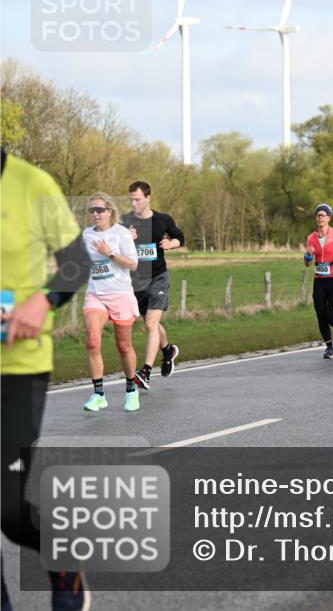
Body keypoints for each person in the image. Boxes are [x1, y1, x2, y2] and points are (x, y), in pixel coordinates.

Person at [1, 149, 93, 609]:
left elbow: (78, 262)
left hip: (18, 370)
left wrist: (43, 300)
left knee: (8, 510)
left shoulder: (32, 184)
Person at [80, 193, 142, 412]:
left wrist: (110, 253)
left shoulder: (121, 233)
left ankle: (131, 389)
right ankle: (98, 395)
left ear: (110, 211)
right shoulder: (86, 234)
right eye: (92, 210)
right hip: (96, 294)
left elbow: (133, 264)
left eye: (99, 210)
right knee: (92, 342)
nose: (95, 214)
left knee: (123, 346)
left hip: (120, 295)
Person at [121, 181, 184, 389]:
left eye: (137, 199)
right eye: (131, 199)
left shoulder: (162, 220)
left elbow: (179, 237)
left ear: (148, 198)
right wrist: (125, 238)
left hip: (158, 277)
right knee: (152, 324)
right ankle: (167, 350)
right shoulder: (124, 222)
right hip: (136, 281)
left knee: (150, 324)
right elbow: (113, 247)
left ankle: (145, 372)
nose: (134, 203)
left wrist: (170, 244)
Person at [303, 203, 333, 358]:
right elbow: (307, 263)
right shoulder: (311, 238)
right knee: (320, 314)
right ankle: (329, 347)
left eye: (323, 215)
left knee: (331, 315)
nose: (320, 217)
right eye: (318, 215)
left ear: (329, 218)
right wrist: (308, 255)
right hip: (320, 280)